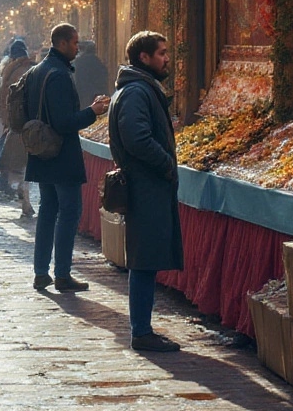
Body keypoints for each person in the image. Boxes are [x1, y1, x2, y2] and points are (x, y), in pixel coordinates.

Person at [109, 31, 183, 353]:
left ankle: (143, 328)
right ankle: (141, 331)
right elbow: (136, 138)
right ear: (144, 57)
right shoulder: (138, 92)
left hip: (148, 185)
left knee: (146, 259)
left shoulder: (140, 88)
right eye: (162, 53)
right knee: (143, 261)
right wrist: (166, 163)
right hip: (146, 185)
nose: (167, 58)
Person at [25, 24, 111, 292]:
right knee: (69, 212)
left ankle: (41, 272)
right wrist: (93, 111)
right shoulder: (59, 74)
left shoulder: (39, 69)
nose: (77, 48)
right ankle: (61, 274)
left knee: (48, 210)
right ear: (62, 43)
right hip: (60, 154)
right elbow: (63, 122)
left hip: (41, 152)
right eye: (74, 43)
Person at [0, 39, 34, 216]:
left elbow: (4, 97)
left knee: (18, 161)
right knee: (26, 162)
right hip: (25, 122)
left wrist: (5, 119)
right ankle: (24, 195)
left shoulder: (9, 69)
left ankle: (20, 191)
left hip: (14, 122)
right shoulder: (26, 71)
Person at [73, 40, 110, 108]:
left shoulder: (78, 62)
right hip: (96, 94)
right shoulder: (98, 62)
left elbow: (76, 80)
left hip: (83, 94)